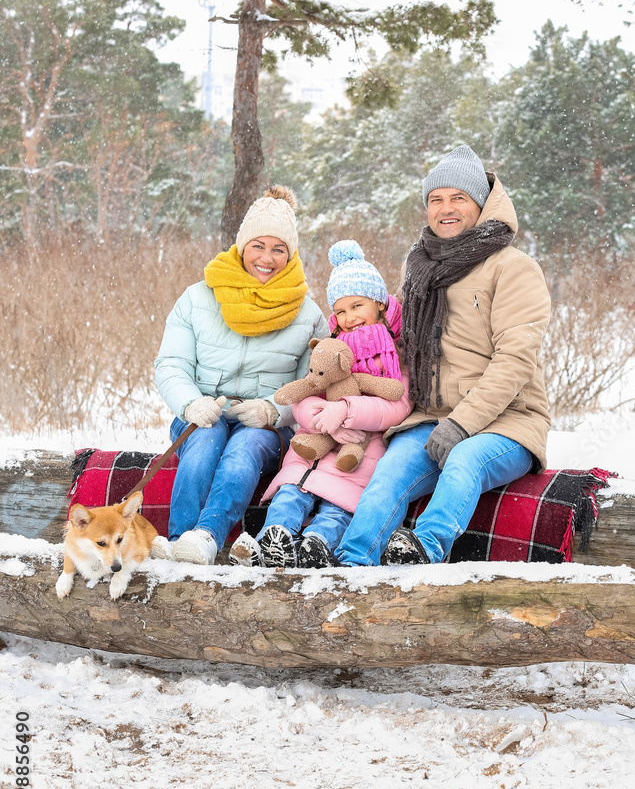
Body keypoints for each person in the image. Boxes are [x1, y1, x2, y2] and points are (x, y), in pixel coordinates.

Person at [334, 144, 552, 566]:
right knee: (387, 478)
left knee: (464, 461)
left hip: (507, 421)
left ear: (481, 205)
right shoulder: (418, 267)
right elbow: (392, 340)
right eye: (436, 199)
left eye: (458, 198)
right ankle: (350, 566)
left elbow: (515, 362)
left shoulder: (513, 267)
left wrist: (462, 424)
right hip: (428, 417)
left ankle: (423, 552)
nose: (445, 208)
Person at [154, 187, 329, 565]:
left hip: (264, 426)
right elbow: (171, 364)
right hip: (204, 411)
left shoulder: (309, 314)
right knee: (204, 443)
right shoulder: (198, 298)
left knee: (243, 451)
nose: (267, 258)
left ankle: (206, 536)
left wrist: (273, 411)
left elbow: (315, 382)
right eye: (258, 246)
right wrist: (190, 402)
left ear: (292, 253)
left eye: (279, 249)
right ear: (241, 246)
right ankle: (176, 538)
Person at [228, 240, 413, 569]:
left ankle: (319, 543)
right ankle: (274, 538)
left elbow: (396, 405)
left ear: (380, 303)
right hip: (311, 449)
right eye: (341, 310)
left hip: (358, 454)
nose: (349, 317)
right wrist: (318, 417)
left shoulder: (396, 353)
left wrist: (345, 411)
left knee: (337, 507)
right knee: (290, 493)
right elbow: (306, 390)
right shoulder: (330, 346)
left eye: (358, 306)